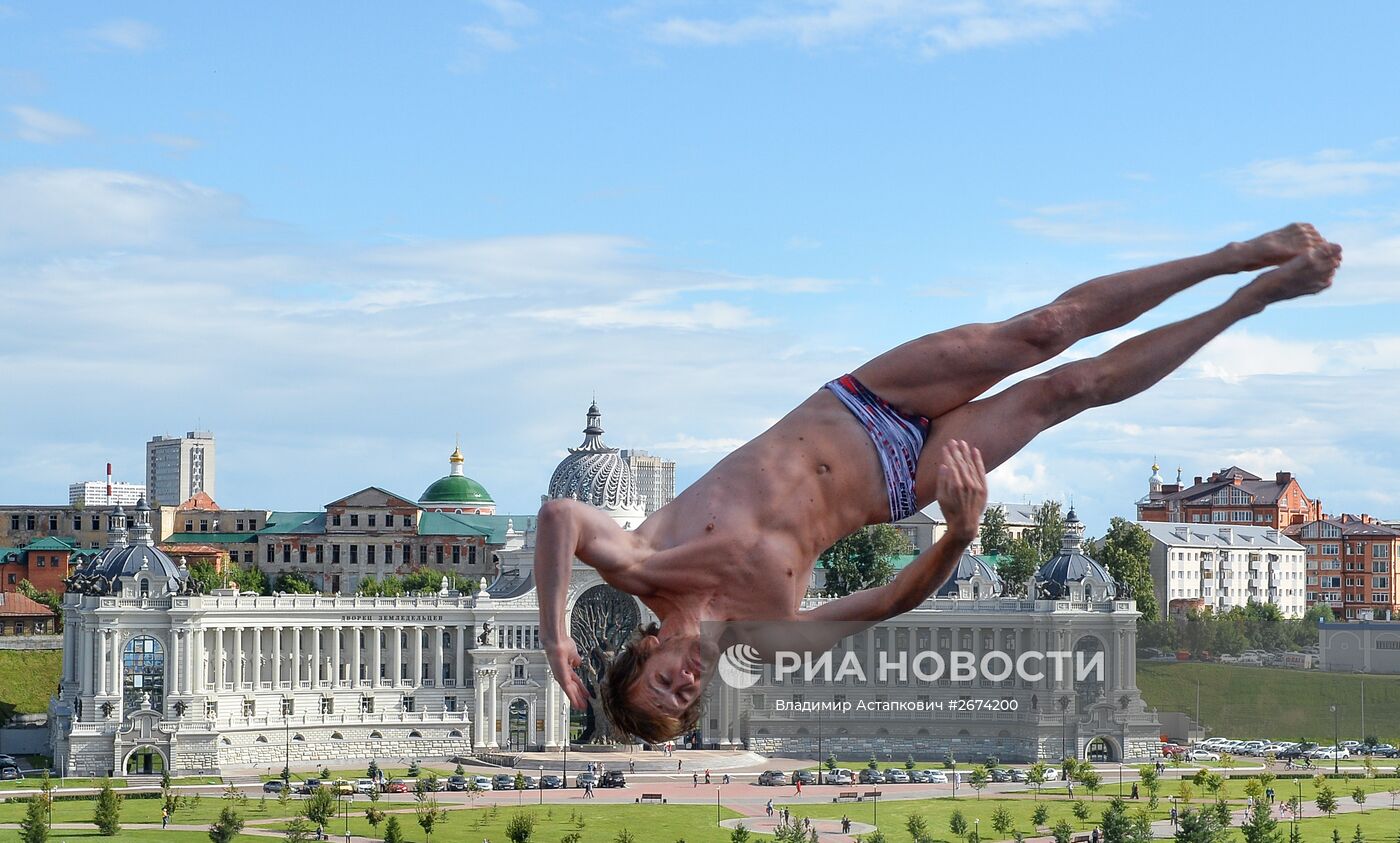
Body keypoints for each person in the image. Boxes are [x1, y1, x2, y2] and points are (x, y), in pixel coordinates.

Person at [535, 228, 1341, 742]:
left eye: (658, 690)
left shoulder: (639, 561)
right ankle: (1251, 298)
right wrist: (959, 532)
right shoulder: (758, 641)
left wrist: (554, 632)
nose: (683, 688)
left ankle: (1232, 254)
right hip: (904, 480)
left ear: (636, 656)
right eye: (684, 705)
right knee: (1071, 390)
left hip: (862, 403)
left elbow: (558, 514)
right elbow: (884, 602)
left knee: (1045, 330)